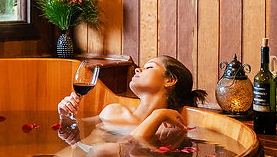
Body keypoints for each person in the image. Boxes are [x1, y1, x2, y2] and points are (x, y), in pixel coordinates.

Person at [57, 56, 206, 145]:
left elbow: (133, 145)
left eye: (149, 67)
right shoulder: (113, 111)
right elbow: (72, 129)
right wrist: (65, 115)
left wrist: (158, 116)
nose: (137, 69)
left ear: (170, 80)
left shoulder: (165, 129)